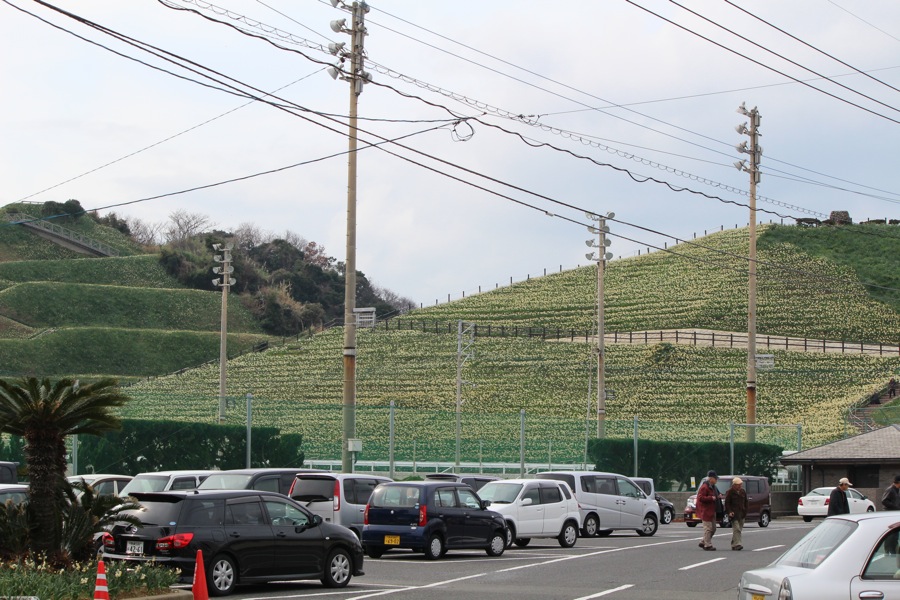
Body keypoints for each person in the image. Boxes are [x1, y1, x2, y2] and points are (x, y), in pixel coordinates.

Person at [696, 470, 721, 551]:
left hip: (712, 510)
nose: (716, 480)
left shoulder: (713, 487)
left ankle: (703, 541)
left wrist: (718, 496)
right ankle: (707, 545)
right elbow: (700, 498)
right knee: (708, 528)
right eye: (715, 478)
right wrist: (711, 498)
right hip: (706, 511)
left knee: (713, 529)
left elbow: (716, 496)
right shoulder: (704, 487)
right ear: (711, 479)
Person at [724, 476, 749, 551]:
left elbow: (746, 501)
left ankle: (734, 544)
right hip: (734, 514)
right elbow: (727, 503)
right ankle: (738, 544)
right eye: (739, 484)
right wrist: (729, 512)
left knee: (738, 530)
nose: (740, 486)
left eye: (741, 484)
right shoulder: (730, 492)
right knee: (737, 529)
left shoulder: (743, 491)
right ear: (734, 485)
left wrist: (745, 510)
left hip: (742, 513)